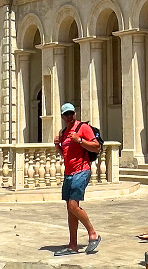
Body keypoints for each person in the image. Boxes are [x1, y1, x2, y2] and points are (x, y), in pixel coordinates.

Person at [53, 102, 101, 256]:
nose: (69, 117)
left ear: (75, 114)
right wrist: (58, 146)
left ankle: (93, 233)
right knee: (70, 209)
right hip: (69, 173)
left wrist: (80, 141)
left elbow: (96, 147)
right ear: (62, 116)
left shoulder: (83, 128)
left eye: (71, 114)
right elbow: (65, 154)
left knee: (73, 206)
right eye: (66, 114)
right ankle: (73, 244)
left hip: (82, 171)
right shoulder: (64, 132)